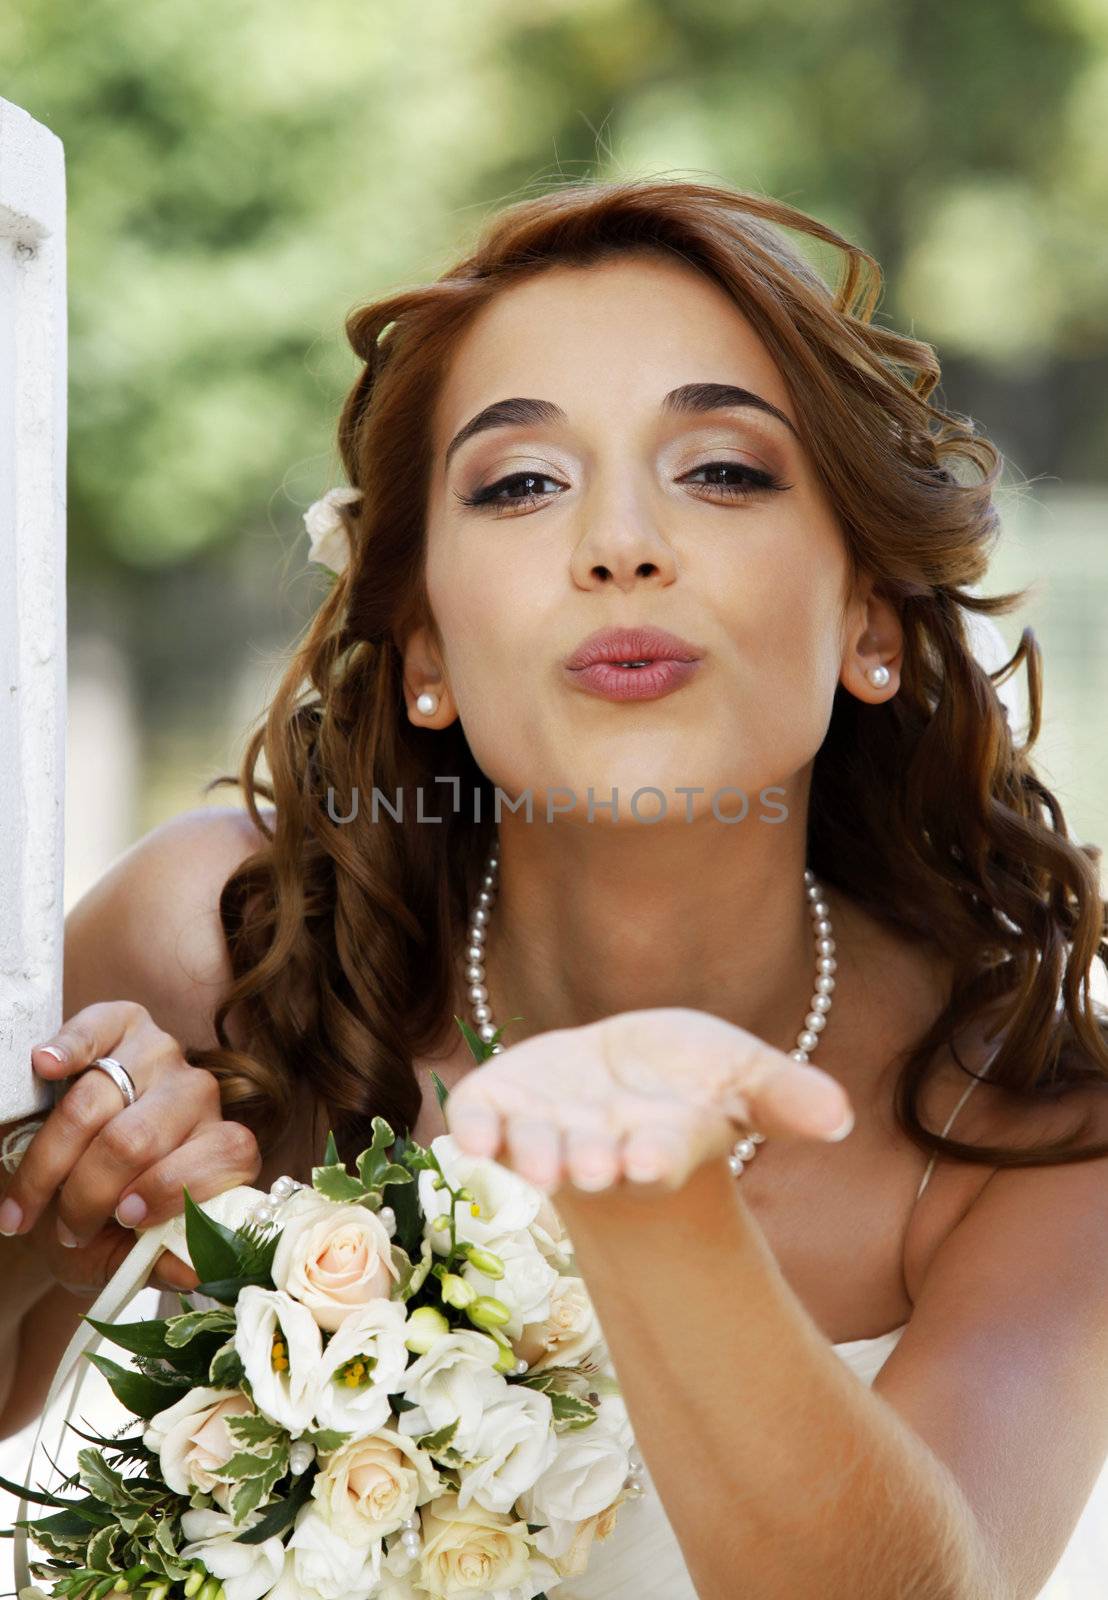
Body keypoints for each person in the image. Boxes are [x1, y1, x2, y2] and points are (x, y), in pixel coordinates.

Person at [2, 178, 1106, 1598]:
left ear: (868, 622)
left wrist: (657, 1212)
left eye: (722, 470)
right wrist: (42, 1229)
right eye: (523, 483)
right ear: (426, 656)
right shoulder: (215, 948)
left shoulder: (1028, 1130)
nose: (620, 544)